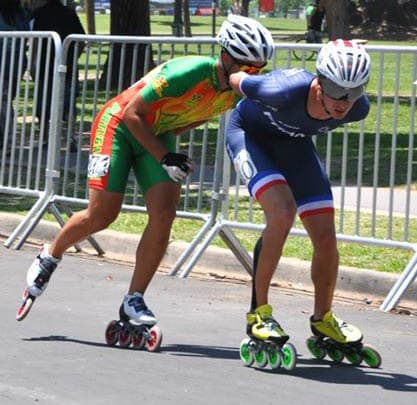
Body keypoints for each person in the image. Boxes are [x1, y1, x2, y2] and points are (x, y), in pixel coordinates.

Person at [16, 15, 274, 325]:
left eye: (259, 70)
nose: (252, 76)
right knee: (103, 214)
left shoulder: (235, 92)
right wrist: (164, 156)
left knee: (164, 215)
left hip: (157, 131)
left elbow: (197, 115)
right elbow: (131, 113)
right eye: (248, 68)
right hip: (119, 124)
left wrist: (168, 150)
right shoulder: (189, 72)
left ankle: (133, 299)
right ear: (226, 56)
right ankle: (50, 254)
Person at [225, 40, 371, 346]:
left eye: (354, 91)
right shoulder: (282, 89)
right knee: (282, 213)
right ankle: (259, 314)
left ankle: (323, 319)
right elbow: (235, 78)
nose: (344, 101)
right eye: (336, 90)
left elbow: (347, 97)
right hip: (250, 136)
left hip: (294, 145)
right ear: (320, 80)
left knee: (326, 235)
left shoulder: (358, 109)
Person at [29, 0, 85, 150]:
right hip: (67, 65)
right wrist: (73, 57)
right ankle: (71, 137)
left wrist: (33, 63)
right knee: (69, 104)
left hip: (44, 66)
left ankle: (46, 138)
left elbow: (35, 41)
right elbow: (81, 41)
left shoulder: (40, 14)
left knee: (43, 105)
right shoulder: (69, 13)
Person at [0, 0, 30, 151]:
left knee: (4, 103)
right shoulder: (20, 14)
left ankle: (7, 142)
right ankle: (7, 140)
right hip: (16, 63)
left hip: (6, 62)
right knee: (6, 101)